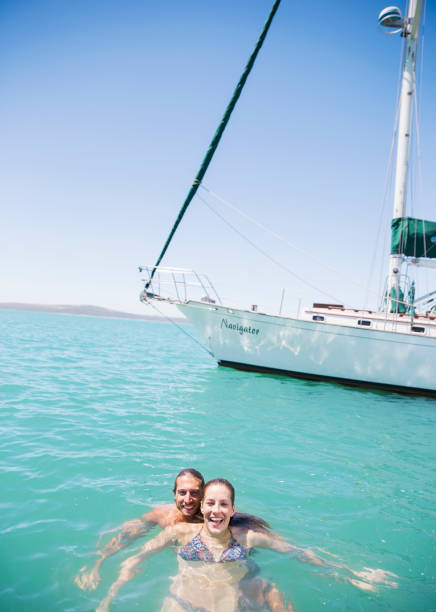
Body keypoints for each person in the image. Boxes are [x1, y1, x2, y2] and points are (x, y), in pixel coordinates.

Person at [96, 478, 397, 612]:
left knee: (270, 589)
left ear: (232, 508)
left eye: (223, 504)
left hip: (233, 604)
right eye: (210, 503)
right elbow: (135, 560)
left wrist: (354, 576)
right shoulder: (178, 535)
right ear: (202, 508)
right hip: (182, 603)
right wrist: (107, 601)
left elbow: (301, 553)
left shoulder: (246, 538)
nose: (216, 510)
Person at [76, 470, 289, 611]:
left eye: (195, 493)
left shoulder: (219, 514)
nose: (188, 499)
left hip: (233, 566)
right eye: (182, 493)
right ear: (174, 494)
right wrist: (97, 563)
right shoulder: (163, 517)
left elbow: (267, 536)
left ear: (204, 497)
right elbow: (127, 537)